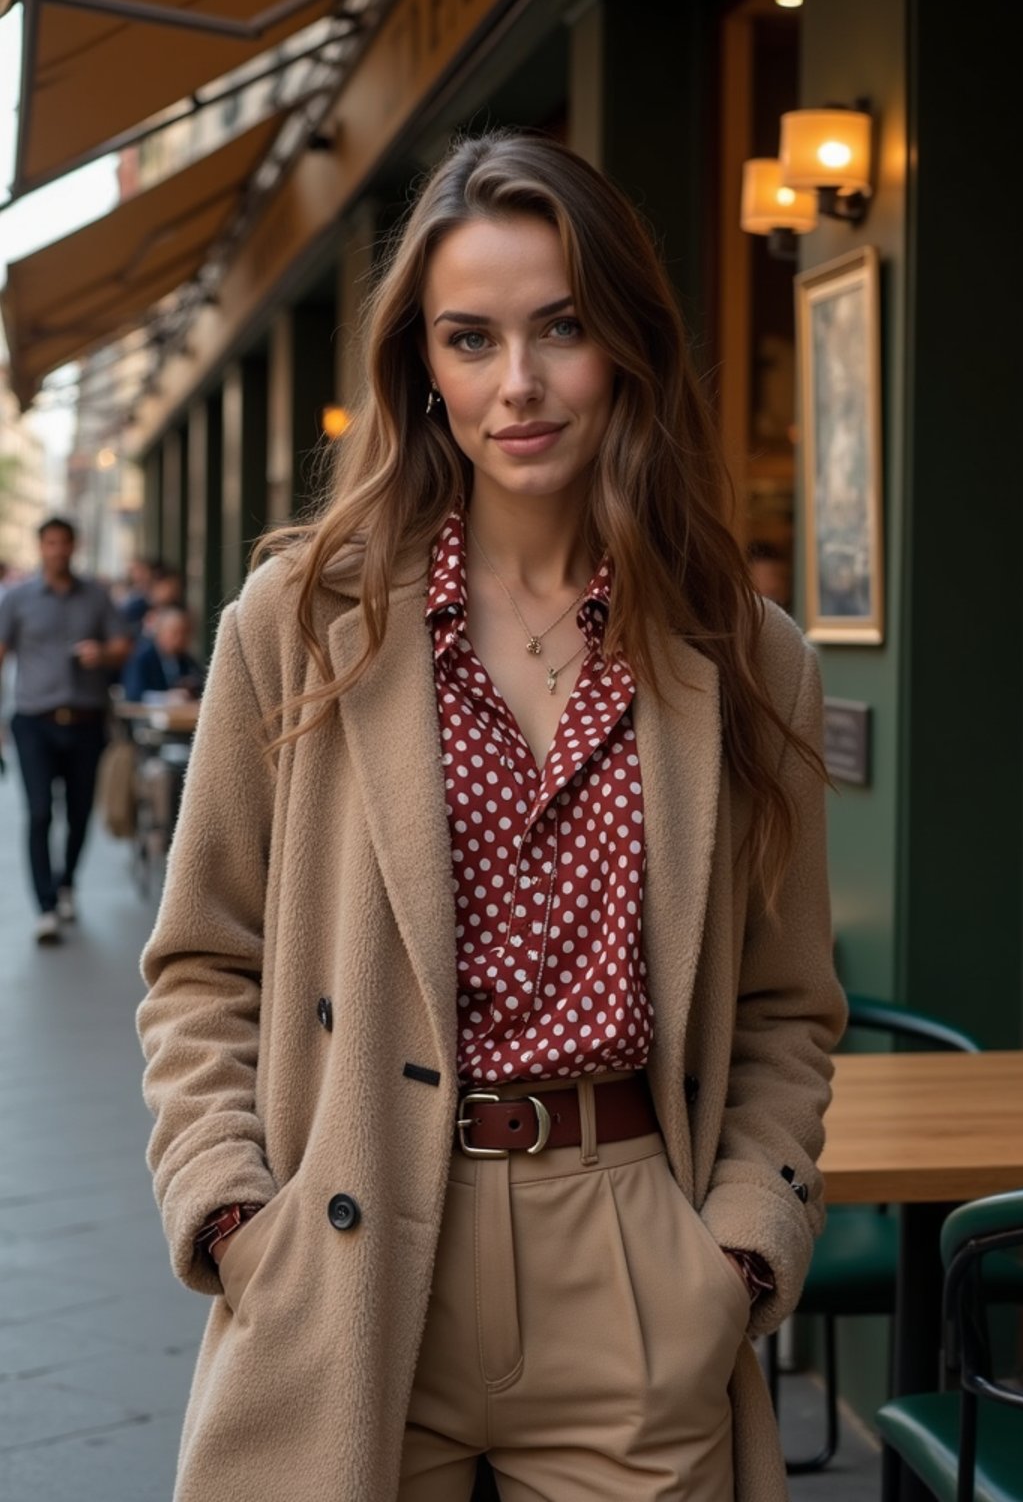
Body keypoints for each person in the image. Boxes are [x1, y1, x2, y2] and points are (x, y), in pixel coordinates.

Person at [138, 132, 846, 1502]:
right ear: (425, 368)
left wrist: (743, 1244)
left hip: (631, 1253)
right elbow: (199, 967)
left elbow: (786, 1004)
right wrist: (232, 1215)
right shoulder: (299, 627)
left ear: (626, 345)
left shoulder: (750, 660)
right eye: (470, 340)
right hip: (350, 1245)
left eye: (561, 329)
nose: (516, 384)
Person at [0, 516, 131, 942]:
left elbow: (123, 647)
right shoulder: (17, 599)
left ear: (75, 547)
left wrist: (104, 653)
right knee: (39, 812)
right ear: (41, 547)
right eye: (50, 542)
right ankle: (45, 906)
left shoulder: (96, 596)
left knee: (78, 812)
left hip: (86, 721)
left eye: (64, 543)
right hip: (33, 720)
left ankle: (67, 881)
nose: (57, 549)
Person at [121, 606, 205, 703]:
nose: (180, 639)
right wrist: (166, 697)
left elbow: (200, 682)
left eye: (184, 633)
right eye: (174, 633)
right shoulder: (141, 657)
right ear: (160, 632)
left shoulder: (186, 659)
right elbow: (133, 694)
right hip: (147, 717)